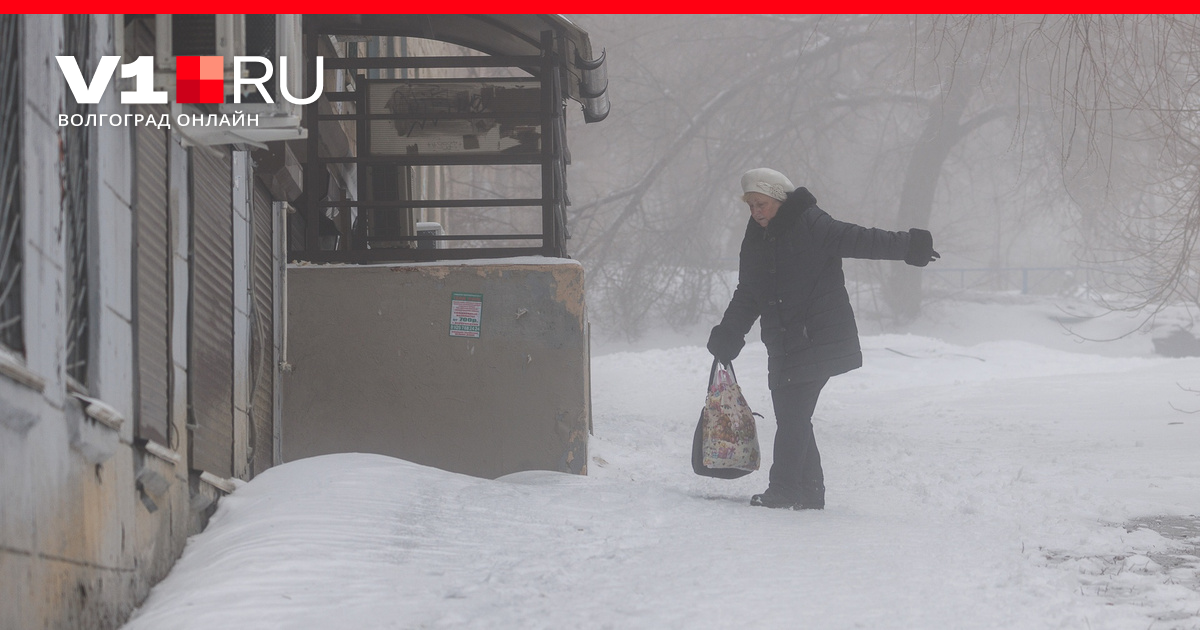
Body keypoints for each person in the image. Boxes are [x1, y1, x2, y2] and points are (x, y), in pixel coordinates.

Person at [707, 168, 939, 510]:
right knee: (792, 415)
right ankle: (810, 492)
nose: (756, 212)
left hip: (816, 336)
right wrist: (729, 334)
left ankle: (785, 489)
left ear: (779, 199)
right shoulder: (756, 238)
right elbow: (749, 292)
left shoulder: (810, 223)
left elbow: (860, 239)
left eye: (762, 204)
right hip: (784, 341)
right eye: (751, 206)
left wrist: (910, 246)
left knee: (793, 414)